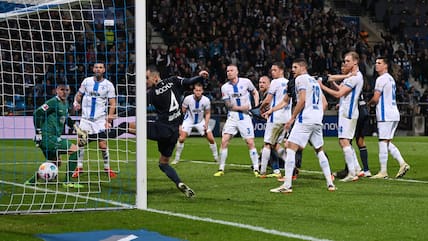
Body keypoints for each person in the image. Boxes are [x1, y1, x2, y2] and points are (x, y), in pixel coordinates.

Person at [270, 58, 335, 193]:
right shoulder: (315, 81)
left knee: (290, 148)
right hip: (317, 119)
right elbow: (325, 104)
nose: (292, 70)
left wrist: (292, 118)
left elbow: (303, 99)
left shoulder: (301, 80)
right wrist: (317, 115)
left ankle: (287, 185)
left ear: (302, 67)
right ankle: (330, 183)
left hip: (304, 119)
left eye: (295, 67)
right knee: (319, 150)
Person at [146, 65, 209, 198]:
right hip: (174, 131)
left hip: (162, 128)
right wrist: (200, 76)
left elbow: (137, 108)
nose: (145, 81)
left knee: (128, 126)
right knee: (163, 163)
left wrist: (116, 114)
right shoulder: (173, 80)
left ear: (155, 77)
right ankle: (179, 182)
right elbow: (189, 81)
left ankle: (93, 137)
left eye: (147, 78)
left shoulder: (151, 93)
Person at [25, 80, 85, 188]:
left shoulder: (65, 103)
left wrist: (77, 128)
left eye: (67, 90)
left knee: (55, 162)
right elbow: (37, 113)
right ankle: (67, 182)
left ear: (70, 91)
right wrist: (38, 133)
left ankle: (31, 181)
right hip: (48, 137)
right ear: (56, 90)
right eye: (62, 90)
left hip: (52, 138)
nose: (64, 92)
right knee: (75, 150)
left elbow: (66, 118)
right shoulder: (53, 102)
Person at [318, 51, 364, 182]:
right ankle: (356, 169)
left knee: (343, 141)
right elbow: (341, 92)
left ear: (355, 62)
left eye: (348, 61)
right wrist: (332, 83)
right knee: (346, 141)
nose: (345, 63)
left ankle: (351, 173)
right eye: (344, 61)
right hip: (347, 111)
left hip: (348, 113)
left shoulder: (354, 77)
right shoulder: (351, 76)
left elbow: (338, 95)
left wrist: (322, 87)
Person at [367, 56, 410, 179]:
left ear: (385, 66)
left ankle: (383, 171)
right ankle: (402, 163)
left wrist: (367, 104)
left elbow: (376, 98)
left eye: (379, 63)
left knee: (382, 141)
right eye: (376, 63)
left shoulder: (380, 79)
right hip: (394, 113)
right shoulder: (390, 79)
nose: (376, 65)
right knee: (387, 142)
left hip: (385, 114)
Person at [72, 62, 117, 179]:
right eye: (96, 67)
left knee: (102, 145)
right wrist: (76, 102)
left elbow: (113, 104)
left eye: (100, 67)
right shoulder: (86, 81)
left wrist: (109, 120)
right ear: (93, 69)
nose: (98, 69)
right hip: (86, 119)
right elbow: (79, 94)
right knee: (81, 143)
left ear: (104, 70)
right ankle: (79, 167)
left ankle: (107, 167)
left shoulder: (109, 85)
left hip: (100, 119)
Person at [214, 64, 260, 177]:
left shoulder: (246, 82)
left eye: (231, 70)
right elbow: (228, 104)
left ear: (237, 72)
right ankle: (221, 168)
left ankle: (256, 169)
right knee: (224, 141)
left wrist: (256, 105)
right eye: (227, 71)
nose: (228, 72)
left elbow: (255, 92)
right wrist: (241, 108)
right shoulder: (224, 87)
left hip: (245, 117)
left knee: (250, 142)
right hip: (233, 117)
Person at [172, 82, 219, 164]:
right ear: (193, 90)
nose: (198, 92)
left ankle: (216, 158)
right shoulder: (187, 99)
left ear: (202, 91)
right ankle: (177, 158)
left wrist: (206, 124)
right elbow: (182, 111)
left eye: (199, 90)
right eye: (196, 90)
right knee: (182, 138)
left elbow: (207, 113)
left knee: (211, 139)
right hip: (188, 120)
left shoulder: (206, 100)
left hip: (200, 121)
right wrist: (180, 124)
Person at [258, 62, 291, 178]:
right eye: (271, 70)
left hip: (275, 116)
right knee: (276, 144)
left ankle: (262, 171)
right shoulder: (288, 82)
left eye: (275, 70)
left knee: (267, 143)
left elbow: (268, 100)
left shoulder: (275, 82)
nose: (272, 72)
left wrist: (261, 108)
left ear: (281, 71)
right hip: (286, 117)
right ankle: (290, 165)